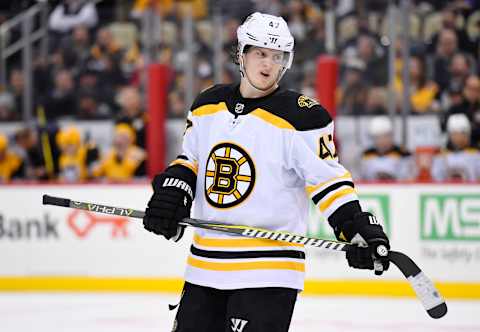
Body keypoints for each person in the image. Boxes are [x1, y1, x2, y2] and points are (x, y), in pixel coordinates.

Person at [142, 13, 390, 332]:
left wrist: (356, 226)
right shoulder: (207, 105)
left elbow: (329, 182)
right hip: (204, 267)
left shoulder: (302, 117)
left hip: (268, 271)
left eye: (277, 56)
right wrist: (173, 192)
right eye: (260, 53)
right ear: (241, 54)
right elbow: (189, 160)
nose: (268, 64)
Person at [360, 116, 414, 181]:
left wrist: (391, 177)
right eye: (378, 137)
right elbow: (363, 176)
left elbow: (408, 175)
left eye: (386, 136)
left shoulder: (403, 153)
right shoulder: (366, 154)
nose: (382, 140)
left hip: (397, 188)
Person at [432, 113, 480, 181]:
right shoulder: (440, 157)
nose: (459, 137)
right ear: (450, 135)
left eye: (463, 133)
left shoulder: (476, 155)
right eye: (455, 133)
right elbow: (435, 180)